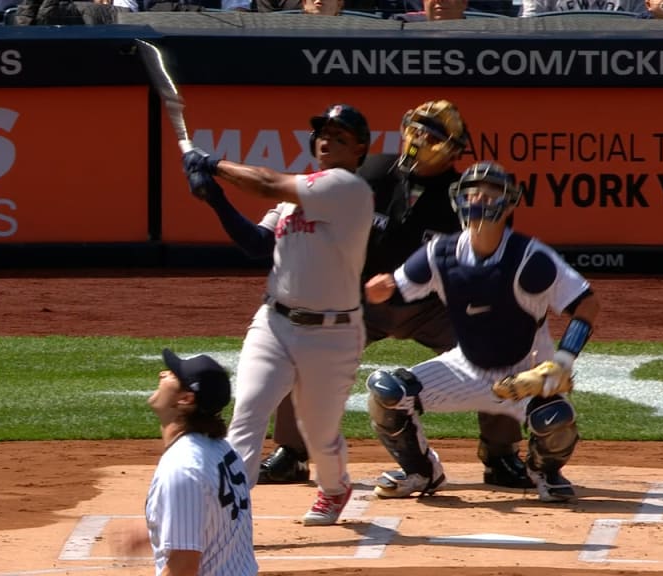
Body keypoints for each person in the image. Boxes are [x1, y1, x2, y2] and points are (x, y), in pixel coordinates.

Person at [260, 100, 534, 491]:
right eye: (416, 129)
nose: (420, 140)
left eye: (433, 135)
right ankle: (291, 452)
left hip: (434, 306)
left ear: (454, 148)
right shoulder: (369, 173)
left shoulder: (468, 195)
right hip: (360, 301)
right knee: (299, 341)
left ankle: (501, 454)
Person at [182, 103, 374, 526]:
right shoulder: (294, 198)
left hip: (332, 335)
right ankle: (225, 514)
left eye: (340, 137)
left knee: (319, 436)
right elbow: (256, 244)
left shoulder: (348, 190)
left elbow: (267, 182)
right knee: (247, 414)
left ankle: (335, 487)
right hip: (275, 323)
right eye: (324, 132)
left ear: (359, 150)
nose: (327, 139)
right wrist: (215, 199)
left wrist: (213, 165)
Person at [362, 161, 600, 502]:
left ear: (509, 203)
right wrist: (383, 289)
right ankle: (421, 472)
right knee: (387, 392)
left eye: (490, 194)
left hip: (525, 373)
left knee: (555, 419)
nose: (480, 200)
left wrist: (562, 362)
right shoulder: (440, 252)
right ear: (459, 200)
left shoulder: (529, 258)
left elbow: (587, 305)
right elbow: (399, 288)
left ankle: (543, 471)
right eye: (473, 193)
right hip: (467, 368)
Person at [111, 349, 258, 576]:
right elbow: (213, 516)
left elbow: (183, 569)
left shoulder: (183, 467)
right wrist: (163, 526)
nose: (162, 374)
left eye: (172, 375)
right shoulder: (223, 451)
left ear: (186, 399)